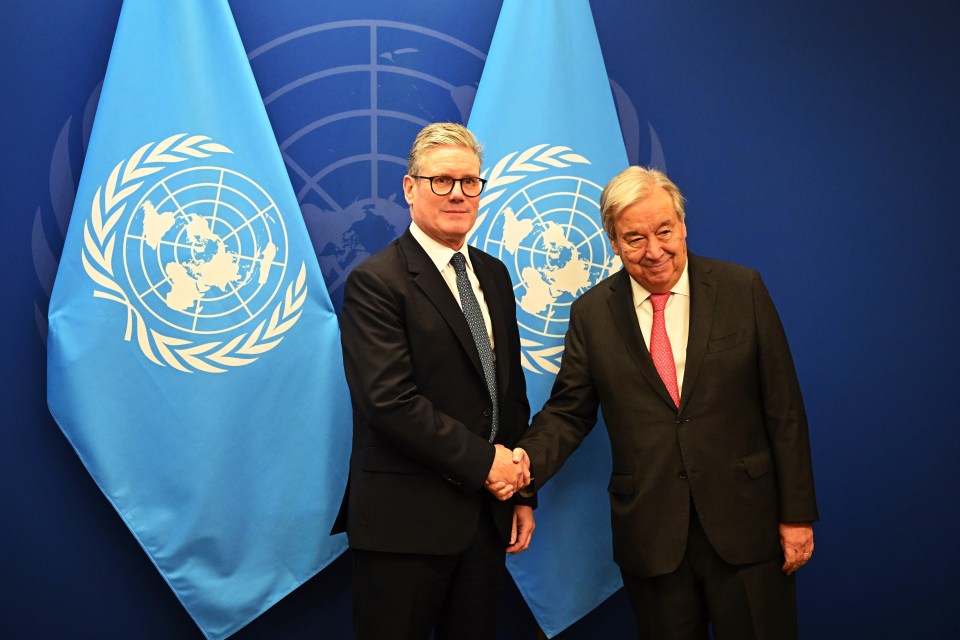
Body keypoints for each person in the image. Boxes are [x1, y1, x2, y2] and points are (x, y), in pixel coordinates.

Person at [512, 166, 818, 639]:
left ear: (683, 225)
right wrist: (523, 472)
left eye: (664, 231)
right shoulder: (592, 315)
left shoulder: (743, 289)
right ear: (613, 242)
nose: (654, 251)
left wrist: (796, 515)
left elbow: (785, 410)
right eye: (634, 238)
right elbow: (569, 413)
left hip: (748, 526)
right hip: (652, 537)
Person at [332, 122, 534, 640]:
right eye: (441, 180)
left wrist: (520, 494)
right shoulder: (376, 282)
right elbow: (389, 402)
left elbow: (507, 394)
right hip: (404, 528)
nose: (457, 194)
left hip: (486, 520)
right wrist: (485, 463)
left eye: (470, 182)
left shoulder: (495, 275)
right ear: (410, 188)